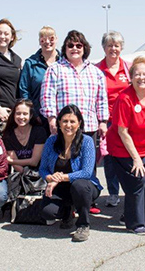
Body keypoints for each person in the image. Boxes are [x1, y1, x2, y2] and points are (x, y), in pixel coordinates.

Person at [105, 57, 145, 235]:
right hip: (122, 149)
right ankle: (135, 223)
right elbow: (122, 132)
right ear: (131, 77)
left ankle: (132, 214)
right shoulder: (124, 99)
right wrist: (136, 159)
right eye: (137, 74)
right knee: (138, 180)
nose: (141, 78)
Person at [39, 104, 103, 242]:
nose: (68, 125)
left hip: (84, 187)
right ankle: (68, 212)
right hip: (61, 188)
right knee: (47, 212)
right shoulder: (51, 141)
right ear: (59, 123)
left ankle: (83, 224)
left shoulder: (87, 142)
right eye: (65, 121)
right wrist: (50, 178)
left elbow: (86, 172)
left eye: (72, 121)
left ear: (79, 123)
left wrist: (60, 178)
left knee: (79, 186)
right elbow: (43, 168)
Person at [40, 30, 109, 138]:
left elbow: (101, 99)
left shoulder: (96, 72)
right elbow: (47, 97)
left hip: (89, 128)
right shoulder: (54, 69)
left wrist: (103, 122)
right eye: (70, 45)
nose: (74, 48)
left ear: (84, 48)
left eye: (79, 46)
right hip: (64, 129)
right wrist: (51, 119)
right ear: (65, 48)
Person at [95, 31, 130, 208]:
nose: (113, 49)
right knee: (109, 158)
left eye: (116, 45)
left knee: (129, 155)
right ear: (104, 48)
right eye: (110, 45)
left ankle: (132, 191)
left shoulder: (129, 68)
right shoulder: (96, 69)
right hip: (106, 121)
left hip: (127, 120)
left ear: (121, 47)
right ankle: (113, 192)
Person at [18, 26, 60, 134]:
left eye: (51, 38)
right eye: (43, 39)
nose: (47, 42)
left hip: (62, 118)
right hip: (39, 119)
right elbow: (24, 90)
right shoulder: (30, 63)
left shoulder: (65, 62)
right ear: (39, 41)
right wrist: (33, 113)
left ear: (56, 39)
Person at [2, 99, 47, 173]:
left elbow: (34, 162)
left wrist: (10, 161)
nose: (21, 117)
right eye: (18, 113)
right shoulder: (8, 135)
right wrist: (27, 175)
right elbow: (16, 164)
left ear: (31, 115)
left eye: (25, 114)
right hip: (21, 174)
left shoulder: (39, 131)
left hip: (39, 174)